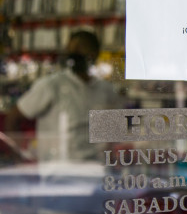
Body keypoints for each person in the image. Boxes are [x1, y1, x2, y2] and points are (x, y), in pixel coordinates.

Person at [5, 30, 121, 162]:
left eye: (80, 51)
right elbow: (13, 118)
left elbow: (113, 135)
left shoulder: (106, 90)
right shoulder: (51, 85)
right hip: (57, 169)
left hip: (95, 168)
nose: (73, 56)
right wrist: (19, 156)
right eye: (71, 51)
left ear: (93, 55)